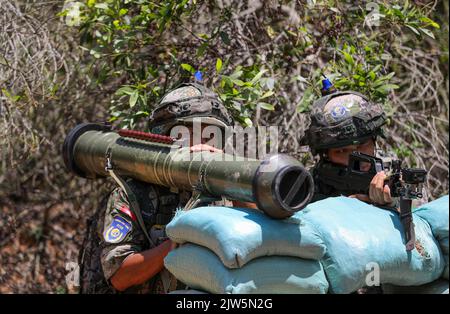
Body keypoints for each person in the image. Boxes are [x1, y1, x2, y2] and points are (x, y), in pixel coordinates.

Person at [79, 83, 237, 294]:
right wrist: (176, 243)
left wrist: (233, 181)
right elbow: (120, 275)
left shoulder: (222, 190)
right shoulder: (134, 193)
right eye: (190, 133)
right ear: (166, 136)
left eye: (209, 135)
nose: (202, 144)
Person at [304, 88, 397, 208]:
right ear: (326, 155)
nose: (357, 159)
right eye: (342, 151)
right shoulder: (307, 185)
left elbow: (418, 219)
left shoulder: (392, 178)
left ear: (374, 141)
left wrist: (391, 204)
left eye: (362, 145)